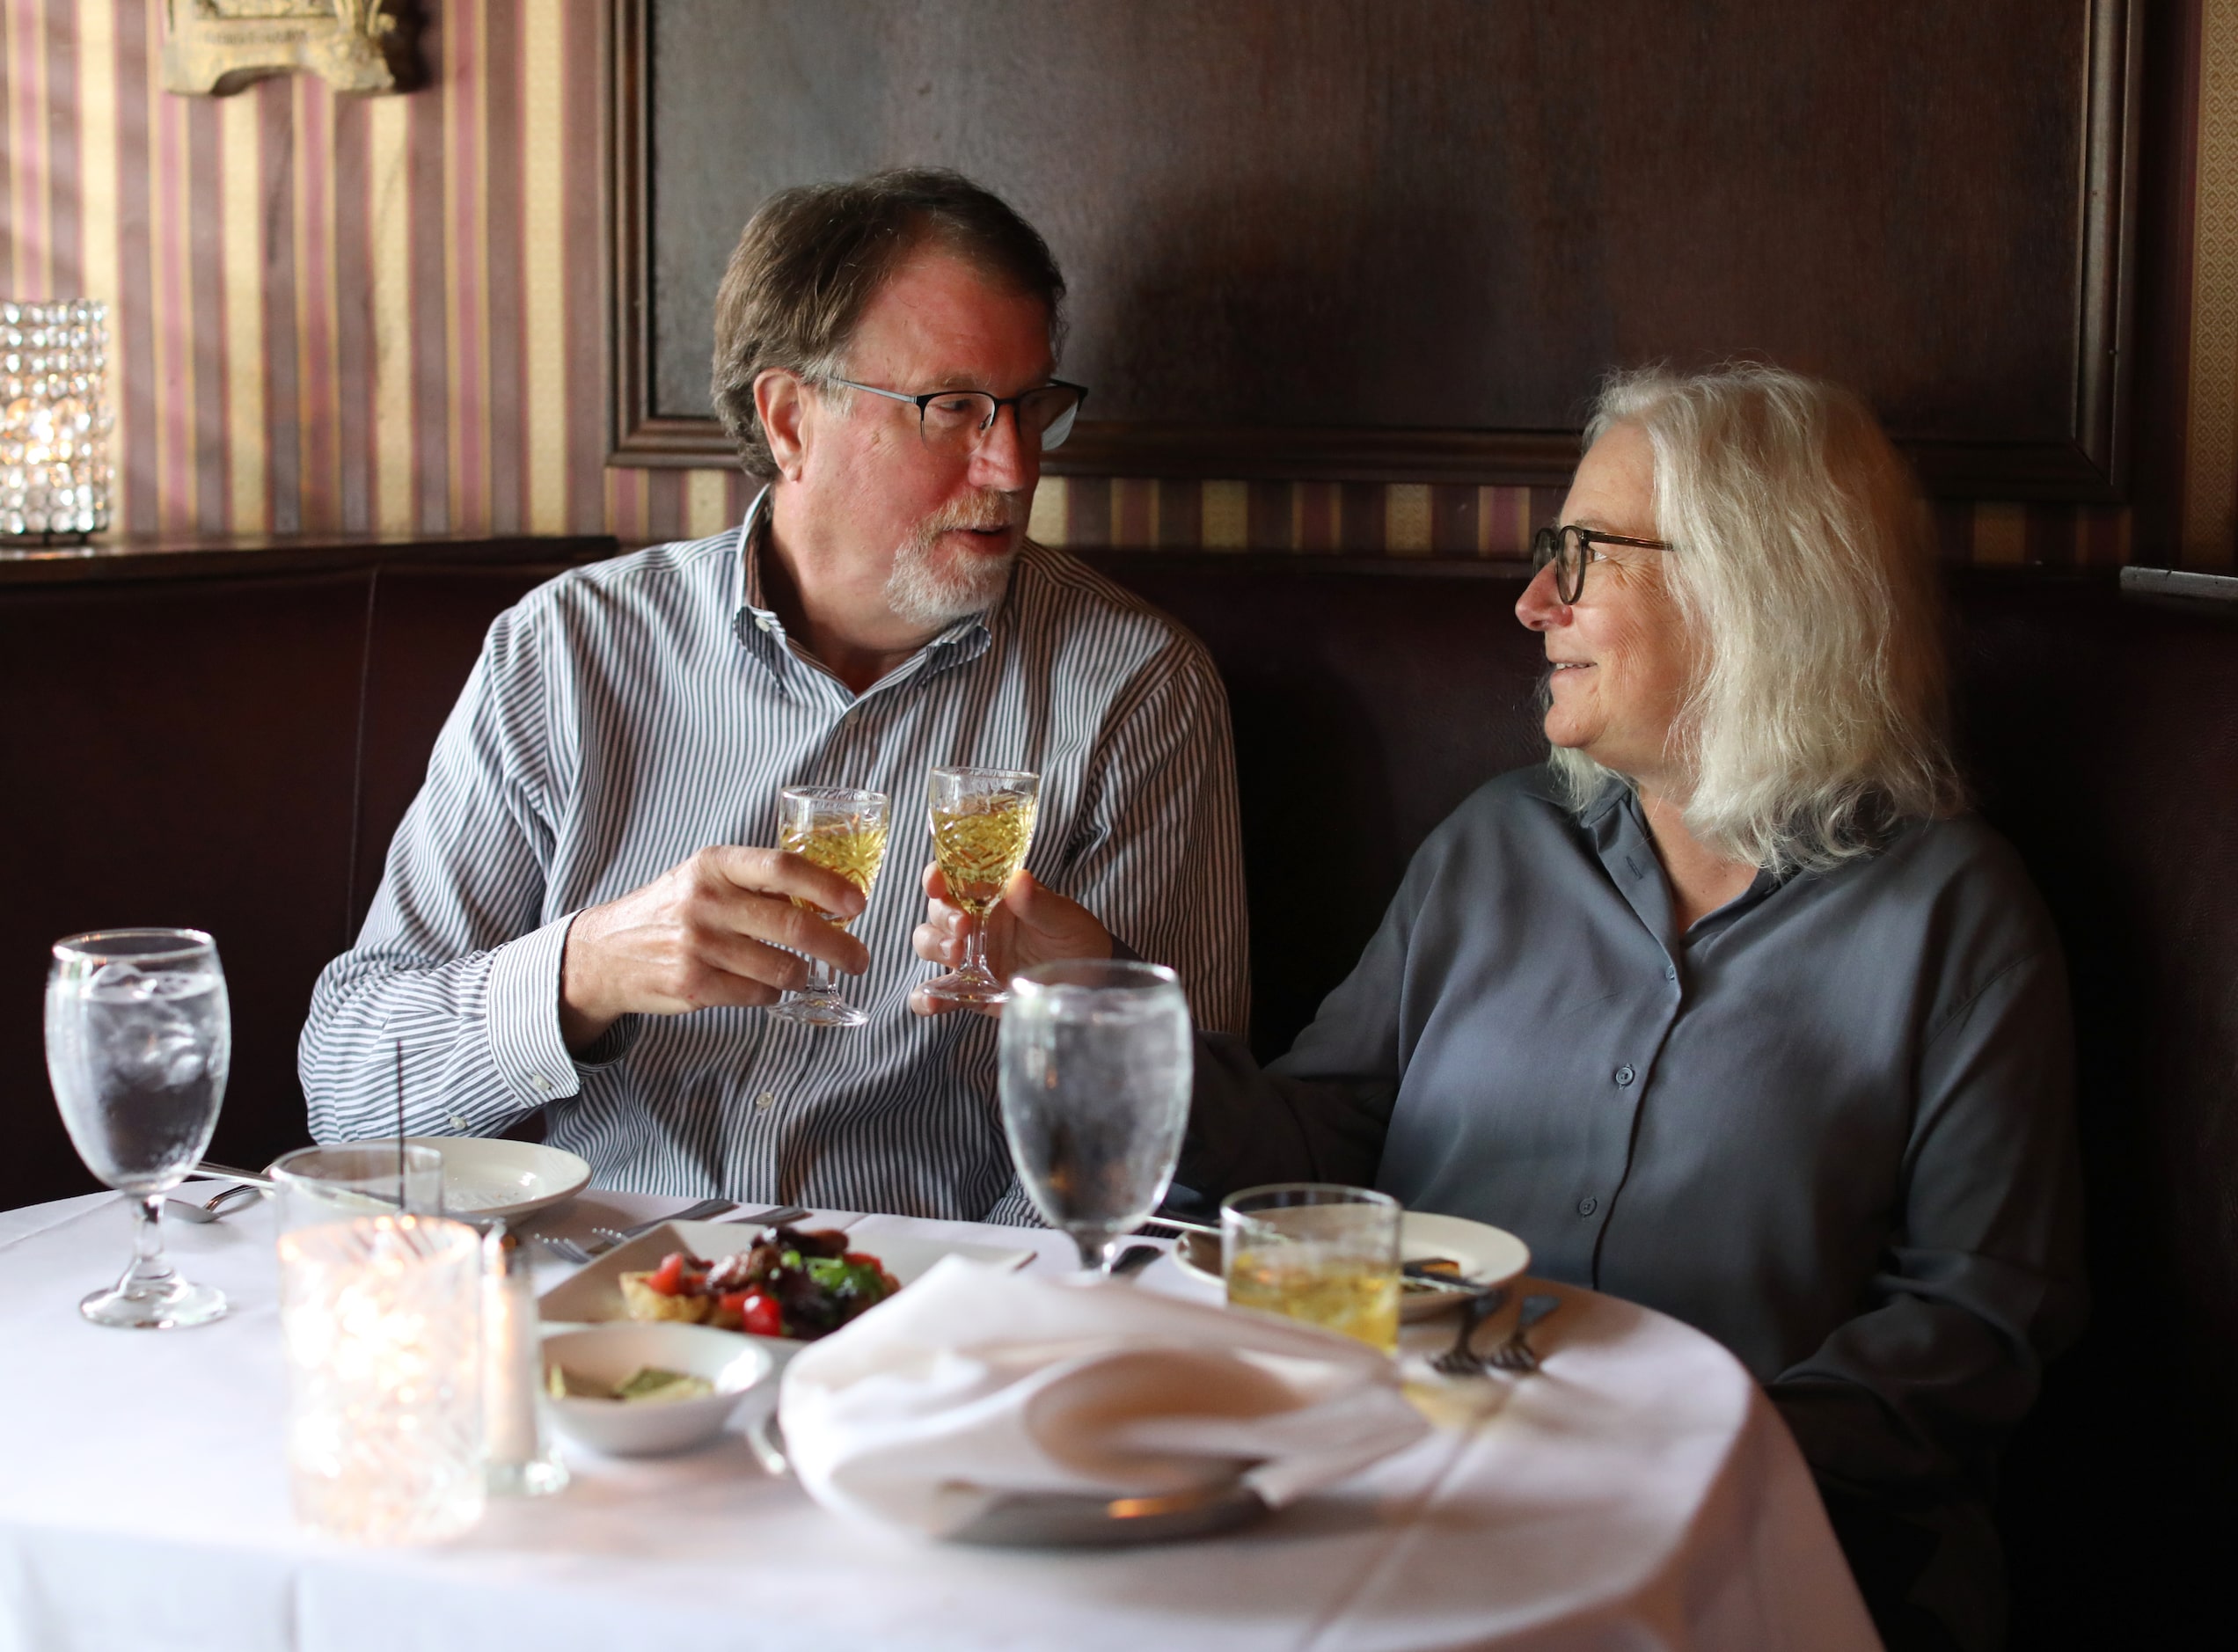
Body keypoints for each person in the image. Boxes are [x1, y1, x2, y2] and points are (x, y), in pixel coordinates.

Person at [915, 364, 2083, 1650]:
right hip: (1405, 1497)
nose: (1534, 603)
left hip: (1754, 1552)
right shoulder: (1493, 848)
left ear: (1755, 585)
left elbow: (1975, 1327)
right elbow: (1316, 1156)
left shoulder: (1955, 913)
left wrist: (1676, 1460)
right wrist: (1093, 997)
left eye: (1583, 556)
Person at [299, 169, 1247, 1222]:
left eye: (1031, 406)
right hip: (589, 1309)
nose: (1014, 463)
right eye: (955, 409)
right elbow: (348, 1091)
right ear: (792, 419)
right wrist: (581, 971)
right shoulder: (565, 655)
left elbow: (1194, 1151)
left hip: (926, 1326)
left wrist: (1096, 1003)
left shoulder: (1135, 689)